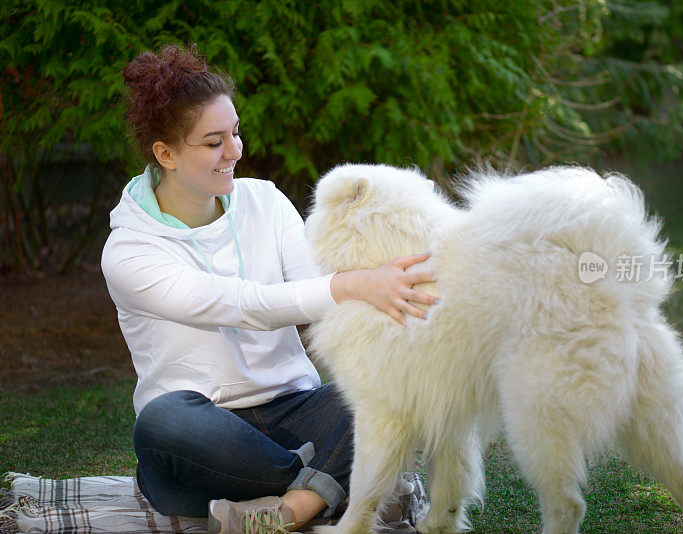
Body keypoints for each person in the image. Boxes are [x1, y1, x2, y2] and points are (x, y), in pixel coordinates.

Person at [101, 43, 437, 534]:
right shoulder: (129, 251)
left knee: (388, 384)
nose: (235, 151)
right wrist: (352, 285)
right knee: (163, 421)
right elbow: (243, 305)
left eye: (235, 133)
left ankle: (288, 510)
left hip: (295, 410)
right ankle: (340, 486)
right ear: (165, 153)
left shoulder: (265, 200)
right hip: (205, 437)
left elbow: (314, 291)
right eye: (214, 142)